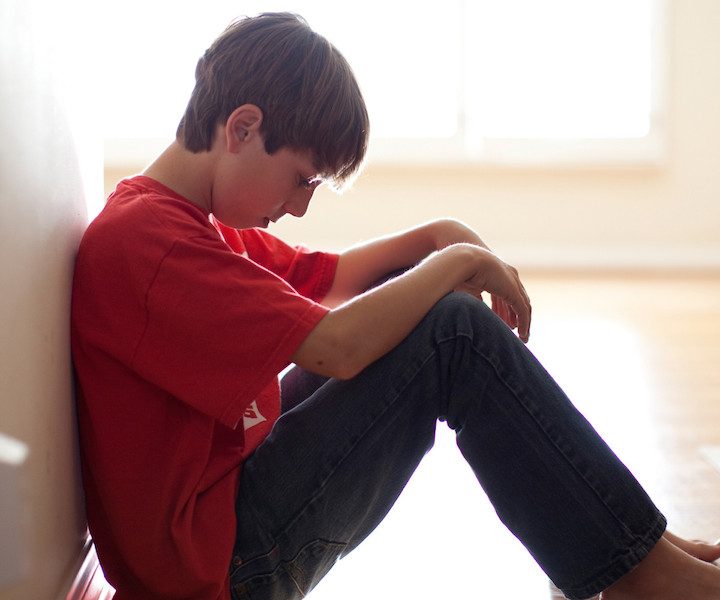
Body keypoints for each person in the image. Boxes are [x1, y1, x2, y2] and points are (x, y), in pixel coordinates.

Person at [70, 12, 720, 600]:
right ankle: (635, 571)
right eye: (303, 179)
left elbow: (333, 277)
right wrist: (456, 263)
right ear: (243, 128)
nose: (299, 206)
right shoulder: (149, 245)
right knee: (454, 334)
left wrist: (438, 232)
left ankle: (628, 553)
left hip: (228, 519)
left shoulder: (184, 222)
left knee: (440, 322)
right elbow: (338, 346)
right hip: (225, 568)